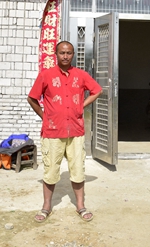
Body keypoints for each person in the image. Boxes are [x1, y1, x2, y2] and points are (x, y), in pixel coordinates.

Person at [27, 40, 102, 223]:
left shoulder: (80, 75)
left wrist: (81, 106)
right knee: (51, 171)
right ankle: (46, 206)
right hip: (52, 132)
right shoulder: (46, 75)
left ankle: (80, 205)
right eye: (62, 53)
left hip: (75, 131)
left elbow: (97, 90)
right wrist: (45, 116)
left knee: (77, 170)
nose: (65, 56)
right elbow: (32, 98)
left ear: (73, 54)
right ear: (56, 54)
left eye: (69, 53)